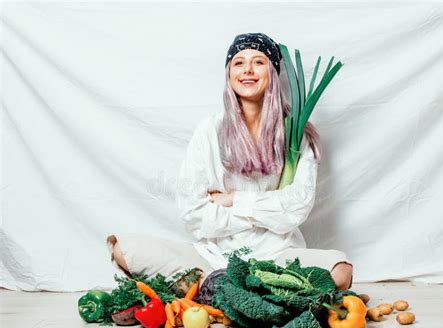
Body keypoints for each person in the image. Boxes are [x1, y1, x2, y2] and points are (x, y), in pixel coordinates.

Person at [107, 32, 353, 292]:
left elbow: (296, 208)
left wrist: (232, 200)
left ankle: (215, 290)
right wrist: (267, 214)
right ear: (229, 74)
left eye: (258, 62)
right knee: (124, 250)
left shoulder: (296, 134)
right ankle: (242, 288)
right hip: (214, 257)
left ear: (272, 72)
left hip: (279, 257)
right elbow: (193, 214)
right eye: (238, 63)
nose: (247, 70)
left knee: (340, 270)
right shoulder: (210, 131)